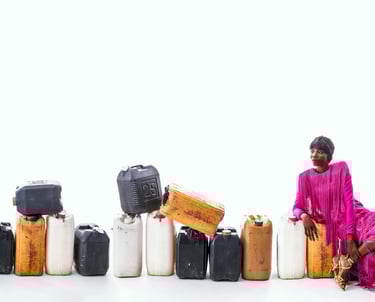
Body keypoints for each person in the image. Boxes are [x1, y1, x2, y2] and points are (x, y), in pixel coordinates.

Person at [293, 136, 375, 290]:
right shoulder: (304, 178)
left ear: (329, 155)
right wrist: (304, 216)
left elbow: (349, 202)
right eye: (312, 151)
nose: (314, 155)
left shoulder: (341, 169)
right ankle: (346, 261)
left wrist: (350, 237)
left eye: (320, 152)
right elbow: (297, 206)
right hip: (339, 222)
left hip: (357, 215)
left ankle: (347, 261)